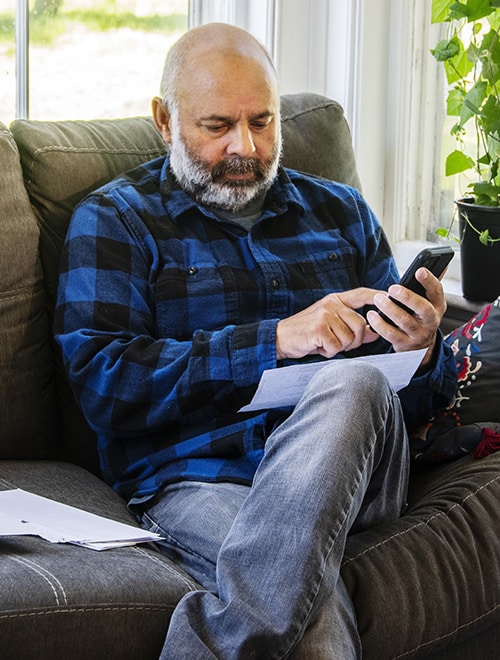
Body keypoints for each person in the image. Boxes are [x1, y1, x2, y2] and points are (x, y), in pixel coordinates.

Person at [54, 22, 457, 659]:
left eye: (263, 122)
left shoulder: (341, 212)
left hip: (359, 474)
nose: (245, 147)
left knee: (352, 381)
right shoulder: (117, 220)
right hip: (201, 480)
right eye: (217, 126)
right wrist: (275, 340)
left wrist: (423, 347)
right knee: (314, 627)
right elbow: (107, 386)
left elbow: (412, 403)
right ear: (165, 121)